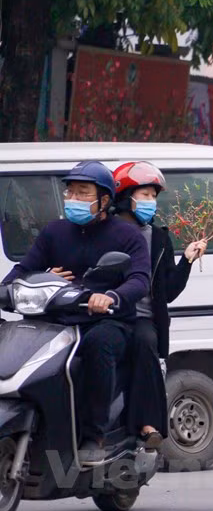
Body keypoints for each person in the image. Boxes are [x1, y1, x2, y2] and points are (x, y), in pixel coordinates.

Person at [2, 161, 151, 464]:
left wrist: (110, 296)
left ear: (104, 200)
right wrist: (7, 288)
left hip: (106, 321)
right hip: (56, 319)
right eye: (70, 191)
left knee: (99, 344)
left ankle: (93, 433)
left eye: (83, 192)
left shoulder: (126, 235)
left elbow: (140, 279)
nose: (73, 197)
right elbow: (23, 269)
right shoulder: (54, 232)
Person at [112, 161, 207, 449]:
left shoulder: (160, 238)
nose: (150, 202)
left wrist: (187, 260)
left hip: (142, 319)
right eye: (144, 195)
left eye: (153, 197)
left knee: (145, 343)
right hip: (108, 314)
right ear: (126, 198)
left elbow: (167, 293)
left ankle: (147, 424)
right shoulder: (106, 232)